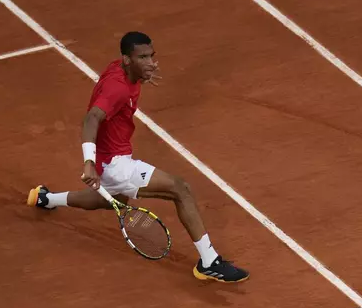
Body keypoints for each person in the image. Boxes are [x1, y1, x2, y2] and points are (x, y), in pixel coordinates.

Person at [27, 31, 249, 283]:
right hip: (115, 163)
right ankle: (209, 262)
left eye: (151, 56)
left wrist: (142, 74)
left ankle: (47, 199)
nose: (151, 62)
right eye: (143, 57)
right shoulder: (117, 88)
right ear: (126, 59)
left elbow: (123, 86)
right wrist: (88, 162)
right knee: (180, 188)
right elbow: (92, 118)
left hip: (110, 158)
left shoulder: (121, 70)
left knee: (111, 198)